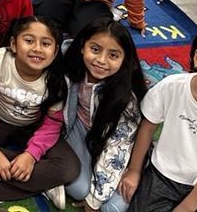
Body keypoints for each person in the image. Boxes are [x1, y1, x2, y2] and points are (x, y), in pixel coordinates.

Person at [0, 16, 80, 209]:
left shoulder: (57, 80)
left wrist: (31, 155)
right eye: (29, 41)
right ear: (13, 44)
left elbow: (52, 125)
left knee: (70, 167)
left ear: (55, 52)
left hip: (32, 127)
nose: (37, 48)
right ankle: (44, 181)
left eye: (46, 44)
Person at [119, 30, 197, 212]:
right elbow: (147, 127)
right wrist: (134, 170)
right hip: (164, 173)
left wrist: (188, 206)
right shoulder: (172, 86)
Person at [63, 18, 148, 212]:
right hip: (79, 130)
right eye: (95, 49)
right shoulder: (69, 63)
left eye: (113, 55)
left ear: (125, 59)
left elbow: (117, 147)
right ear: (83, 46)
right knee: (79, 189)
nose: (101, 61)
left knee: (112, 207)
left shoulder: (127, 98)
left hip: (115, 143)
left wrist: (94, 201)